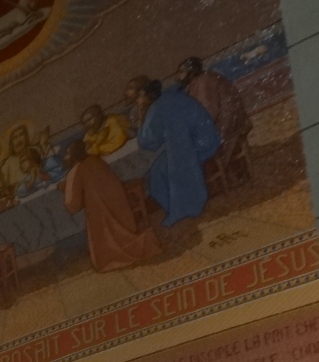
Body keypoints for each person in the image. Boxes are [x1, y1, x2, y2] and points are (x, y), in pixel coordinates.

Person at [60, 139, 161, 271]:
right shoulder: (95, 160)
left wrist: (66, 188)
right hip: (119, 204)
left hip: (101, 212)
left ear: (74, 156)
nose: (65, 157)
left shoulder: (75, 171)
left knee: (108, 246)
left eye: (67, 154)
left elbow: (72, 205)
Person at [138, 79, 221, 226]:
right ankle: (184, 206)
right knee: (165, 165)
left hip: (194, 147)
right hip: (208, 138)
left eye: (141, 97)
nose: (139, 100)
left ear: (149, 96)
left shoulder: (156, 108)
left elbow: (149, 142)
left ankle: (180, 210)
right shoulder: (175, 96)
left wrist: (141, 118)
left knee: (156, 175)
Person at [178, 56, 251, 166]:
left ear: (191, 72)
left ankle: (220, 171)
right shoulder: (196, 83)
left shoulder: (203, 81)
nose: (178, 76)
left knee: (198, 148)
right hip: (223, 120)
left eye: (181, 72)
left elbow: (210, 112)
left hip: (228, 122)